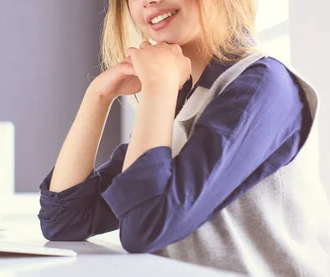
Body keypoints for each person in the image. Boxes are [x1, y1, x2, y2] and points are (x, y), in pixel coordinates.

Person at [37, 0, 330, 276]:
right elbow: (65, 220)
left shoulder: (264, 84)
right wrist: (98, 97)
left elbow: (144, 229)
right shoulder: (184, 99)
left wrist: (158, 87)